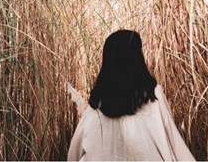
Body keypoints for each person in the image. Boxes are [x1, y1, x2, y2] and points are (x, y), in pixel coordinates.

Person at [67, 30, 195, 161]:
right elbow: (174, 144)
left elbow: (73, 154)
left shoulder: (97, 104)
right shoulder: (153, 96)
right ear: (137, 58)